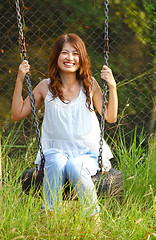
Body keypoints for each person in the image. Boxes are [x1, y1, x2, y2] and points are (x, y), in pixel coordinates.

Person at [11, 33, 118, 219]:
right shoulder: (45, 87)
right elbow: (16, 113)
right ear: (56, 57)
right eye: (64, 53)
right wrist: (20, 79)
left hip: (87, 153)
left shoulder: (90, 85)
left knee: (75, 167)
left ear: (81, 58)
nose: (70, 58)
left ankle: (93, 219)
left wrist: (113, 86)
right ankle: (50, 217)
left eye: (75, 53)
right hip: (55, 151)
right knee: (58, 162)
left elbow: (110, 117)